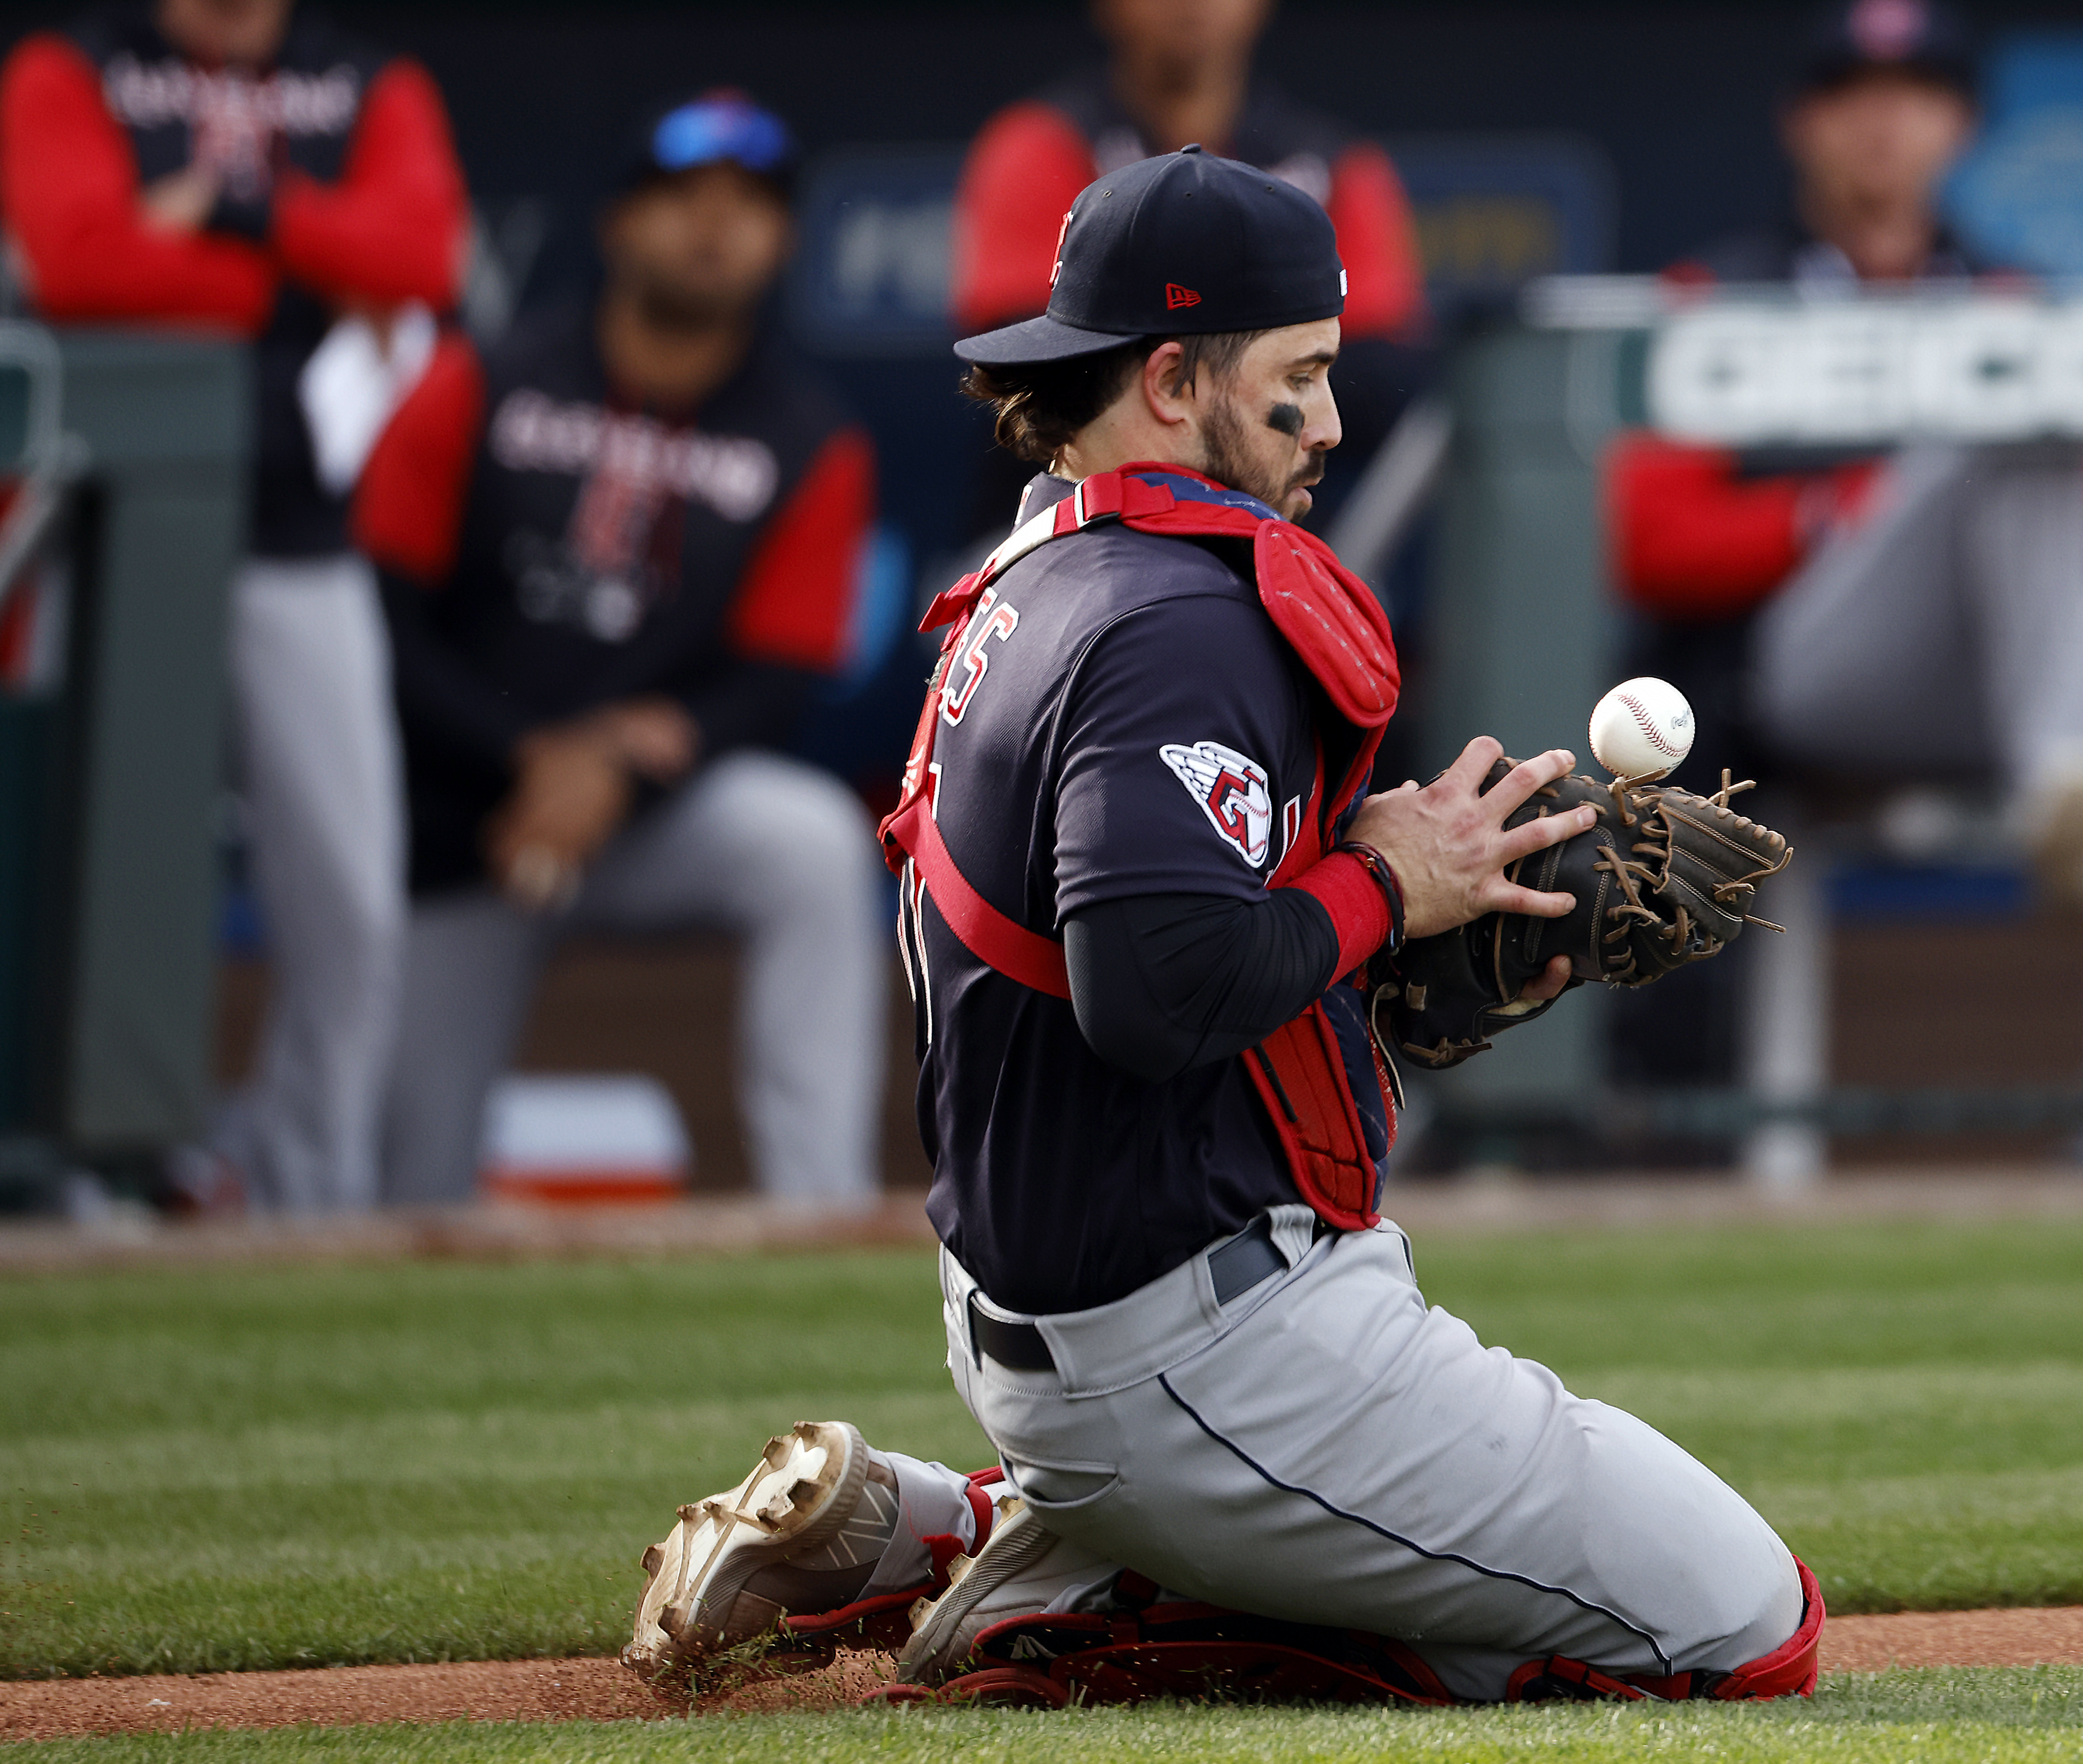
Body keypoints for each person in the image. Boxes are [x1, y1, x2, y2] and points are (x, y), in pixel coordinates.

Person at [622, 147, 1823, 1708]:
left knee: (1513, 1584)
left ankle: (944, 1523)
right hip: (1208, 1352)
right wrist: (1387, 890)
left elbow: (1144, 964)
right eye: (1301, 378)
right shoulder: (1182, 616)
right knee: (1744, 1621)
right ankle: (1078, 1597)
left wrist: (1400, 912)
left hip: (1089, 1315)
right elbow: (1159, 989)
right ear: (1178, 377)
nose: (1330, 420)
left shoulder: (1040, 564)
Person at [1603, 0, 2083, 1125]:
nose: (1883, 126)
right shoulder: (1720, 292)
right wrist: (1834, 513)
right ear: (1800, 123)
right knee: (2009, 403)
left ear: (1960, 126)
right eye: (1852, 98)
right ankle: (2067, 766)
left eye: (1915, 98)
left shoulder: (2014, 296)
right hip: (1821, 666)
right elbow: (1647, 542)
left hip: (2024, 656)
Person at [352, 92, 884, 1204]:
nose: (711, 226)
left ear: (782, 239)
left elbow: (778, 676)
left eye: (746, 206)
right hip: (474, 821)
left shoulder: (807, 437)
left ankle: (817, 1210)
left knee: (809, 847)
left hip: (649, 816)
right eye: (682, 197)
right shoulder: (484, 377)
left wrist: (620, 763)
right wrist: (531, 759)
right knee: (413, 1186)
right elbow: (379, 619)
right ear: (618, 223)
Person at [0, 0, 466, 1212]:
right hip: (104, 539)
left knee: (350, 899)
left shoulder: (365, 80)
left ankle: (307, 1194)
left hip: (297, 540)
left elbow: (425, 260)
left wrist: (239, 212)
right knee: (89, 868)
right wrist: (293, 281)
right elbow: (78, 259)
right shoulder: (76, 66)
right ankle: (86, 1163)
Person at [948, 0, 1425, 537]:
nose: (1190, 5)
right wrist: (1259, 350)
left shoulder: (1335, 164)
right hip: (1060, 525)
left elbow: (1382, 380)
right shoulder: (1040, 143)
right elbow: (1034, 363)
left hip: (1290, 529)